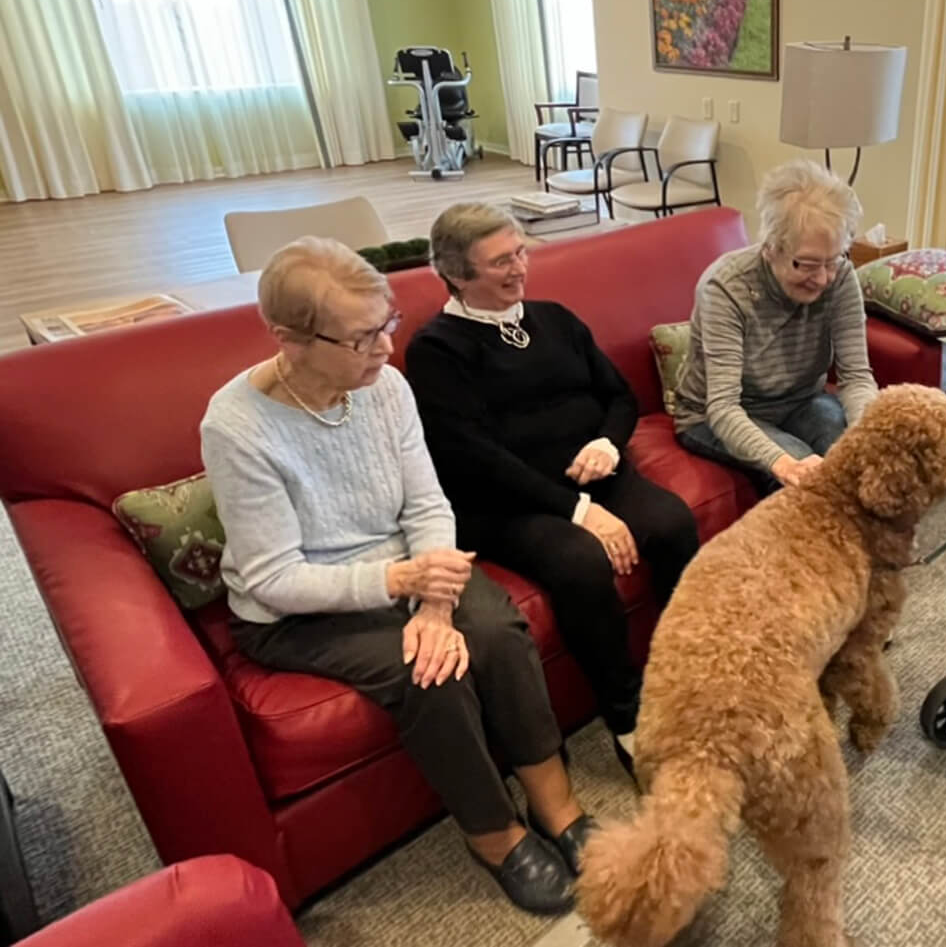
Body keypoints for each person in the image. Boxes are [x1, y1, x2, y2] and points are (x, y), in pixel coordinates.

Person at [200, 238, 591, 916]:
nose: (384, 348)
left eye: (387, 325)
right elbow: (273, 577)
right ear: (290, 338)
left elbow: (426, 502)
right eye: (361, 338)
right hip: (299, 608)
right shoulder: (237, 425)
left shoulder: (385, 386)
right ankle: (493, 834)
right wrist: (403, 581)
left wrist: (434, 604)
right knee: (428, 674)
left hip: (408, 568)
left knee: (496, 628)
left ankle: (556, 804)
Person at [404, 204, 700, 779]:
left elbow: (616, 395)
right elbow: (474, 456)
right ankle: (627, 714)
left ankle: (689, 668)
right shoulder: (436, 349)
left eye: (520, 251)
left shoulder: (555, 318)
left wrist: (610, 446)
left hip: (594, 471)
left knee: (671, 523)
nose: (520, 267)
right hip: (509, 502)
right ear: (458, 275)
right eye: (500, 262)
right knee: (581, 562)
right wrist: (579, 511)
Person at [674, 158, 878, 493]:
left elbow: (856, 376)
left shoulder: (840, 275)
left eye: (833, 260)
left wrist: (865, 439)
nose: (824, 278)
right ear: (770, 248)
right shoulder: (726, 287)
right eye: (808, 264)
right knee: (807, 484)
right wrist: (783, 462)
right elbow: (723, 407)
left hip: (801, 400)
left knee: (857, 463)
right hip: (715, 417)